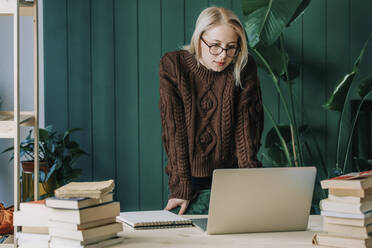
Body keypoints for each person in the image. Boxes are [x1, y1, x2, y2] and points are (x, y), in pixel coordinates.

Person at [158, 7, 264, 215]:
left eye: (231, 47)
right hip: (191, 182)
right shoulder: (174, 65)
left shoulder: (243, 67)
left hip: (234, 178)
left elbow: (246, 130)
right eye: (215, 46)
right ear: (199, 40)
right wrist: (180, 188)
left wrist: (252, 183)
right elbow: (175, 130)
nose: (223, 55)